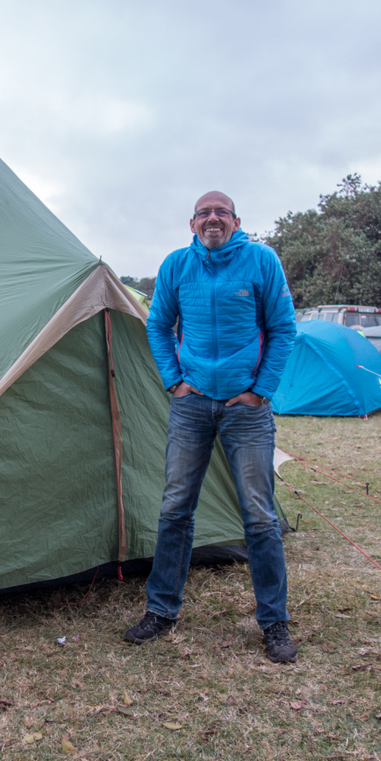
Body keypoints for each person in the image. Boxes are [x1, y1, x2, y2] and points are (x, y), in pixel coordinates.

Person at [126, 190, 298, 663]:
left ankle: (274, 622)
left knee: (259, 516)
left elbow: (283, 328)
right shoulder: (176, 266)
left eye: (222, 212)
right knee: (175, 508)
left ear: (236, 221)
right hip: (192, 404)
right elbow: (158, 325)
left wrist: (261, 390)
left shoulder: (261, 260)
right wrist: (174, 382)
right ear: (192, 223)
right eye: (204, 213)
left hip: (248, 408)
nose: (213, 218)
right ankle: (161, 611)